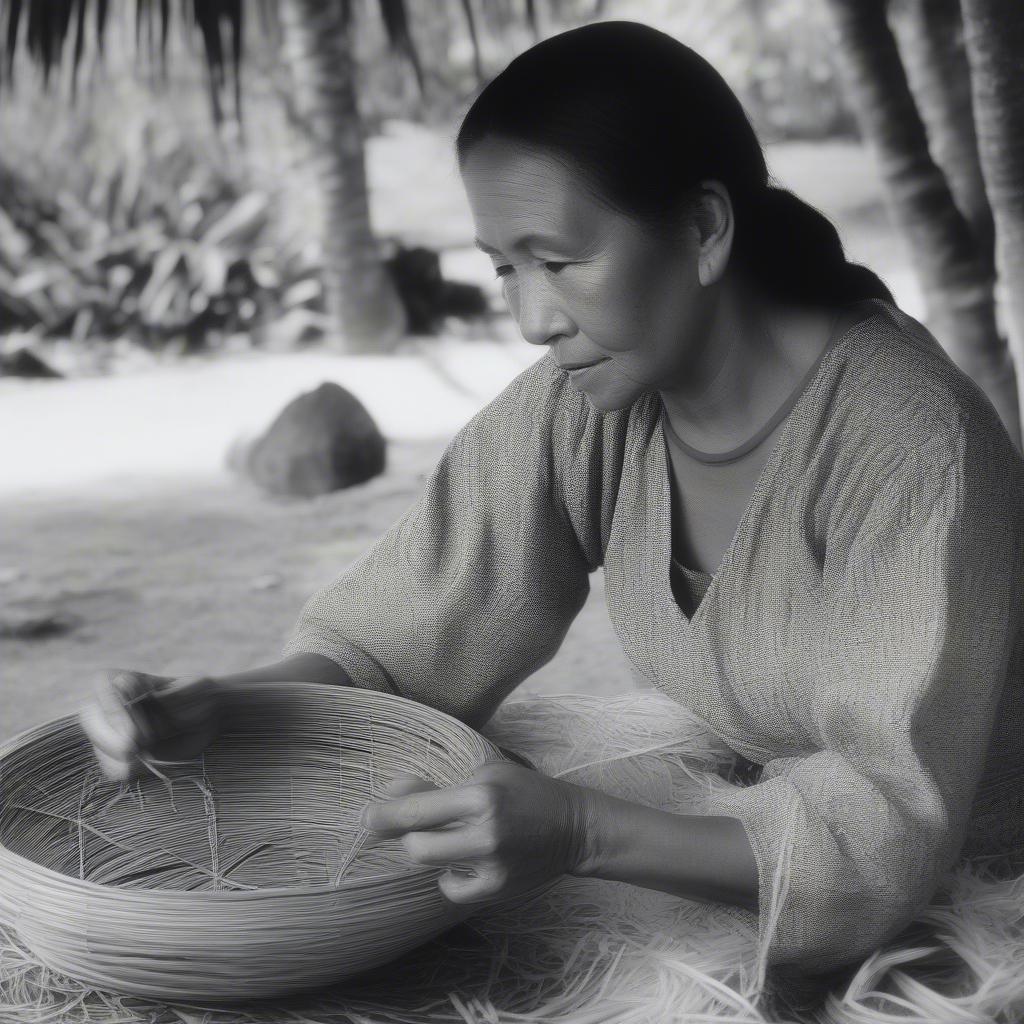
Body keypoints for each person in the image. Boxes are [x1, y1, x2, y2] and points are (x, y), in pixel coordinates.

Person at [79, 20, 1024, 997]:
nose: (532, 317)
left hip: (972, 870)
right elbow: (397, 645)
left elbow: (889, 829)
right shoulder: (590, 396)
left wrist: (580, 828)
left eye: (558, 260)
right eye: (503, 267)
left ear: (702, 230)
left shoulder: (910, 445)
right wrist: (226, 708)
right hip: (764, 822)